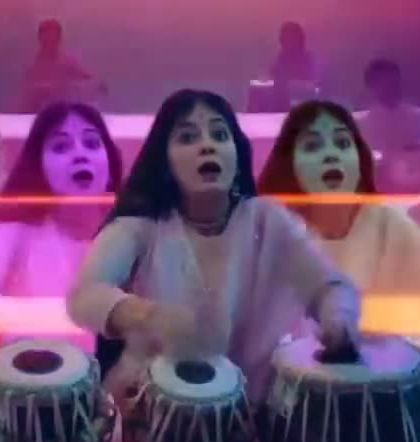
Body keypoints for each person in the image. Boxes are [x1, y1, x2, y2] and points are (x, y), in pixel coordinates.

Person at [66, 89, 360, 408]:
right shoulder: (141, 227)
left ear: (237, 152)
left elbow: (329, 286)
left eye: (220, 135)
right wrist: (146, 316)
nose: (208, 145)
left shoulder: (268, 220)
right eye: (188, 137)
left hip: (260, 409)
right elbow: (85, 294)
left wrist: (337, 320)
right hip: (154, 410)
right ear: (164, 161)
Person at [258, 100, 420, 333]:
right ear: (289, 164)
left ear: (360, 159)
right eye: (312, 146)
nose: (331, 155)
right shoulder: (271, 234)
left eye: (342, 143)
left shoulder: (393, 227)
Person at [0, 102, 123, 296]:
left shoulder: (140, 236)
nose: (80, 155)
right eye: (61, 147)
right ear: (39, 169)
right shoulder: (13, 237)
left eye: (91, 144)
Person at [19, 19, 106, 113]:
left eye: (54, 38)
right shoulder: (30, 63)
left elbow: (86, 77)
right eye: (47, 38)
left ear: (59, 39)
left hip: (61, 111)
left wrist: (98, 84)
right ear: (40, 38)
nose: (51, 41)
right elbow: (24, 91)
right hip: (35, 112)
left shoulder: (68, 61)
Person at [357, 59, 420, 155]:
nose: (390, 89)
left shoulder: (417, 118)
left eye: (394, 83)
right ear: (370, 87)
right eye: (384, 84)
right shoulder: (360, 125)